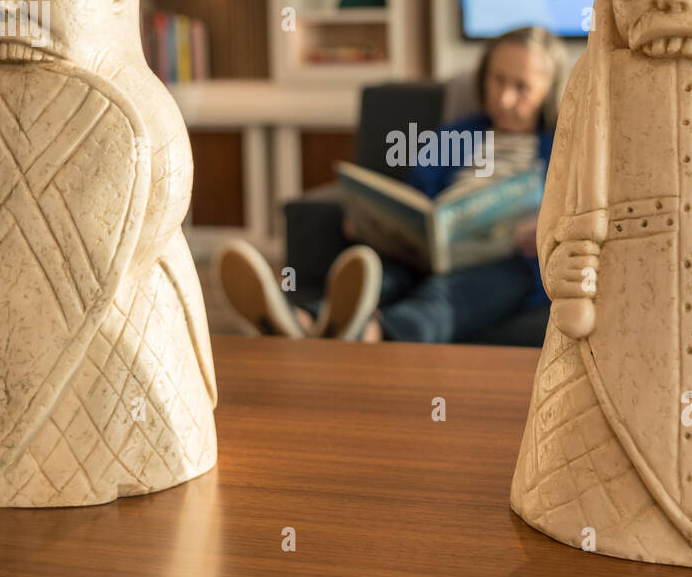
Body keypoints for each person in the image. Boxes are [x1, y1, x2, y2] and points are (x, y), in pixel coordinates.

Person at [219, 26, 570, 342]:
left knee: (445, 297)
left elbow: (578, 215)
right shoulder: (455, 135)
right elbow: (415, 199)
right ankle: (301, 318)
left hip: (508, 263)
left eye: (521, 87)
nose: (505, 98)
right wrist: (373, 222)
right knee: (379, 273)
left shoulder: (563, 147)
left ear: (549, 92)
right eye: (498, 80)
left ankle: (370, 334)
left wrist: (544, 231)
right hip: (428, 252)